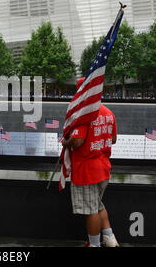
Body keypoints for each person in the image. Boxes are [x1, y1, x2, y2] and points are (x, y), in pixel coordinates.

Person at [61, 77, 120, 248]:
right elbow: (113, 139)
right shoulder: (108, 113)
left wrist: (66, 142)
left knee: (91, 211)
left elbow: (77, 141)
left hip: (87, 170)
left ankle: (94, 244)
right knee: (97, 204)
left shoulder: (84, 115)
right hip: (103, 168)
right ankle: (110, 239)